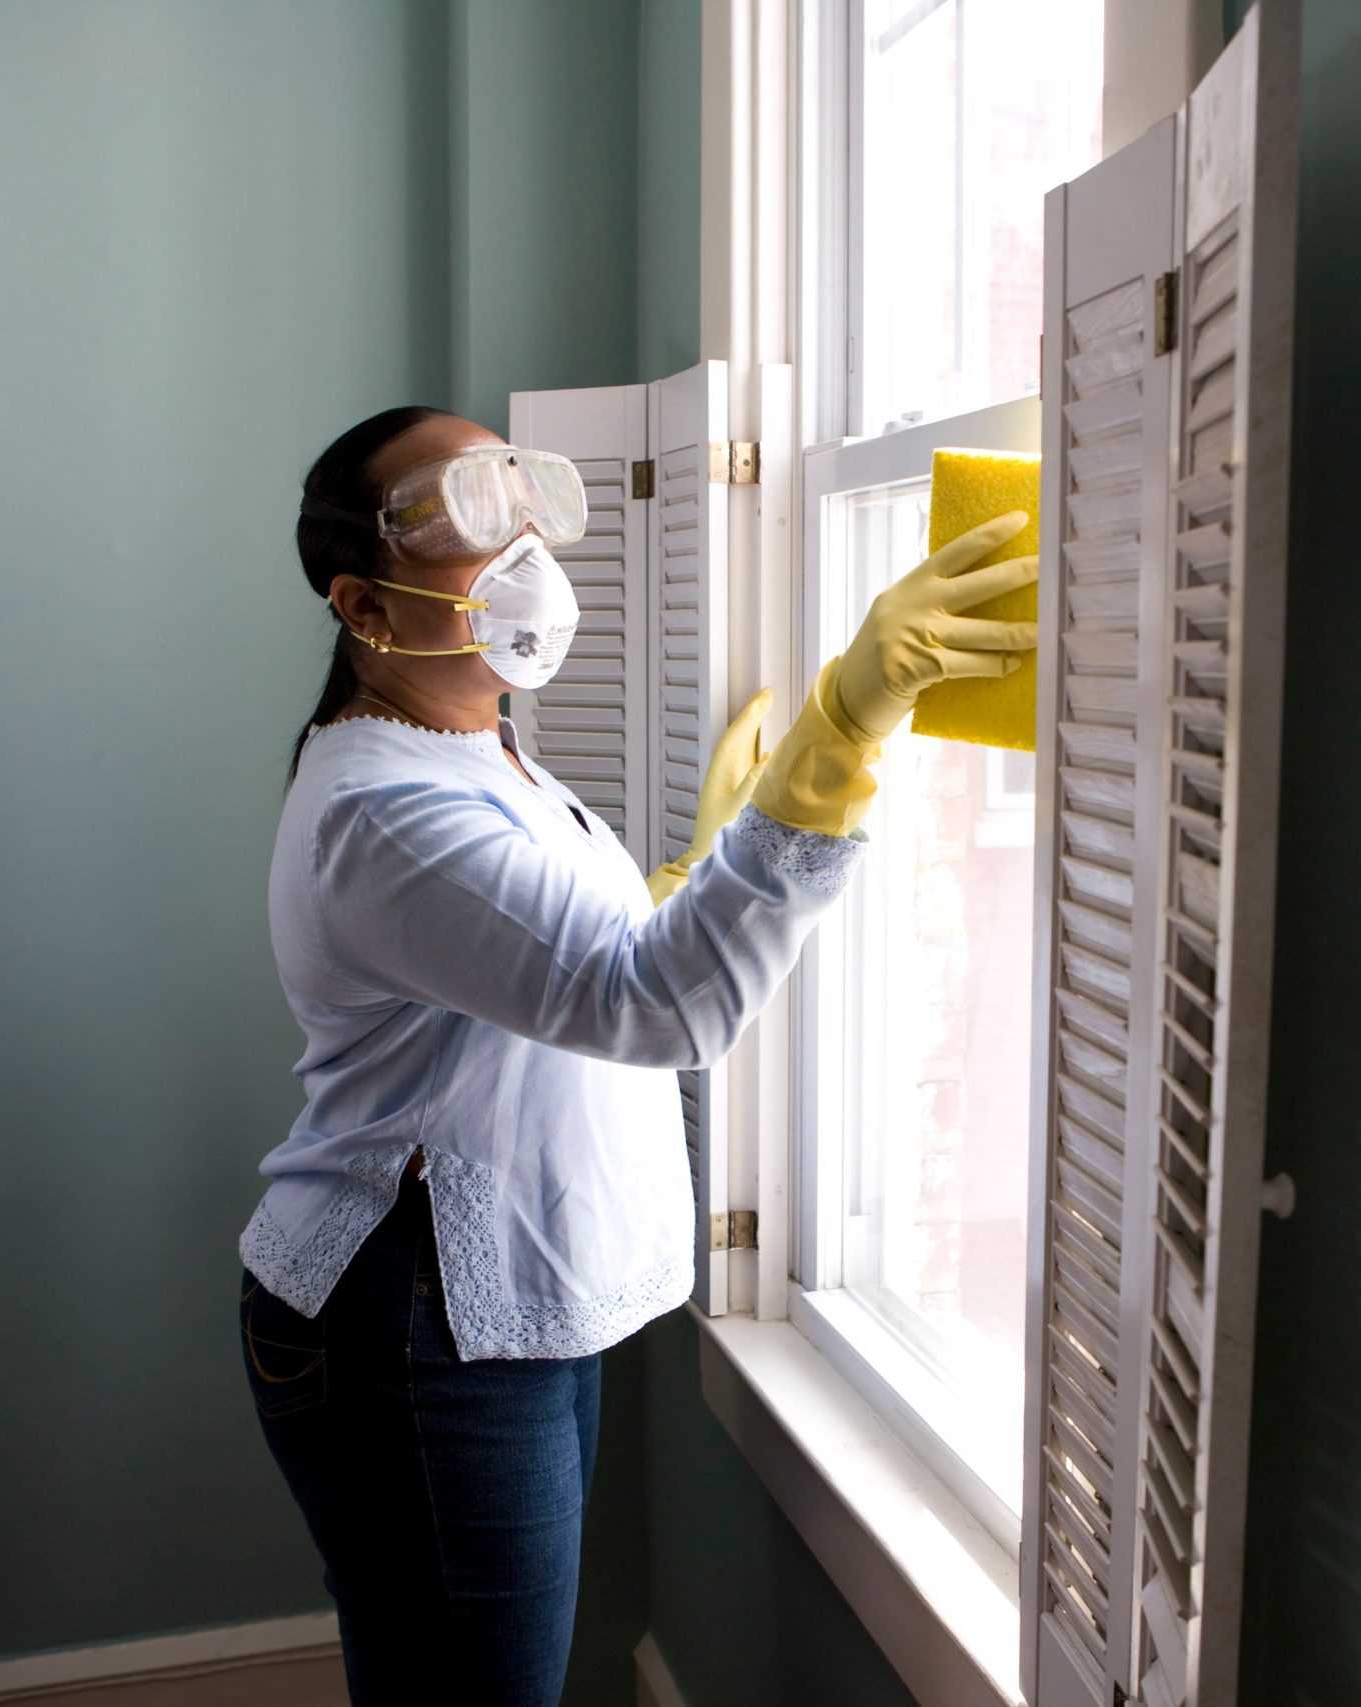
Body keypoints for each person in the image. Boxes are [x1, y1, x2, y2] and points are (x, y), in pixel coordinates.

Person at [238, 405, 1033, 1704]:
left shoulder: (475, 750)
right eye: (464, 511)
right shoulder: (386, 805)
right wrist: (840, 732)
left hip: (487, 1306)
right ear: (365, 607)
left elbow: (547, 963)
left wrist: (692, 868)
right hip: (415, 1317)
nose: (525, 538)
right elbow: (657, 1009)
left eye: (522, 489)